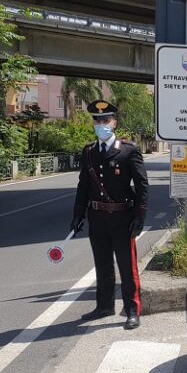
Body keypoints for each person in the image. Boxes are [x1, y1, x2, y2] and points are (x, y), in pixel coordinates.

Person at [70, 100, 149, 329]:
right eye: (97, 120)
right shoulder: (89, 152)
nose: (101, 124)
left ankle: (132, 310)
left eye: (105, 120)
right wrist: (78, 214)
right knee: (102, 265)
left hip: (122, 218)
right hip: (97, 219)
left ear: (114, 123)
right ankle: (104, 306)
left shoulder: (128, 151)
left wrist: (140, 216)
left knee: (127, 267)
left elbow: (142, 186)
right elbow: (83, 185)